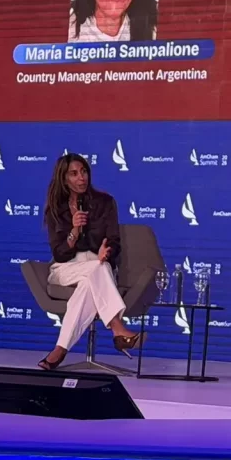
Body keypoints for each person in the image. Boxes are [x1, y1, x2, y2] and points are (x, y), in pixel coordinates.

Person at [38, 154, 143, 370]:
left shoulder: (105, 202)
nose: (81, 178)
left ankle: (60, 349)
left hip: (99, 263)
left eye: (84, 171)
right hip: (66, 268)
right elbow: (59, 253)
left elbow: (113, 240)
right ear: (64, 178)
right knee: (96, 270)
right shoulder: (55, 209)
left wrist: (106, 252)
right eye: (74, 174)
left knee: (91, 278)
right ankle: (117, 327)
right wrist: (74, 231)